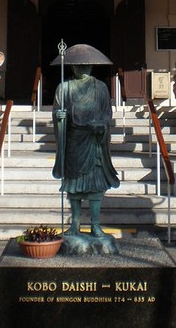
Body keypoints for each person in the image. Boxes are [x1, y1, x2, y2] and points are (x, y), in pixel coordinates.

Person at [52, 59, 119, 238]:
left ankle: (95, 224)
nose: (82, 68)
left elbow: (107, 114)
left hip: (93, 140)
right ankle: (75, 224)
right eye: (79, 65)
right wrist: (59, 118)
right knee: (73, 185)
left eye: (86, 65)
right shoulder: (64, 88)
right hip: (74, 140)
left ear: (91, 66)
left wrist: (101, 125)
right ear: (72, 66)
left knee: (95, 185)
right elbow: (57, 111)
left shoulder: (101, 88)